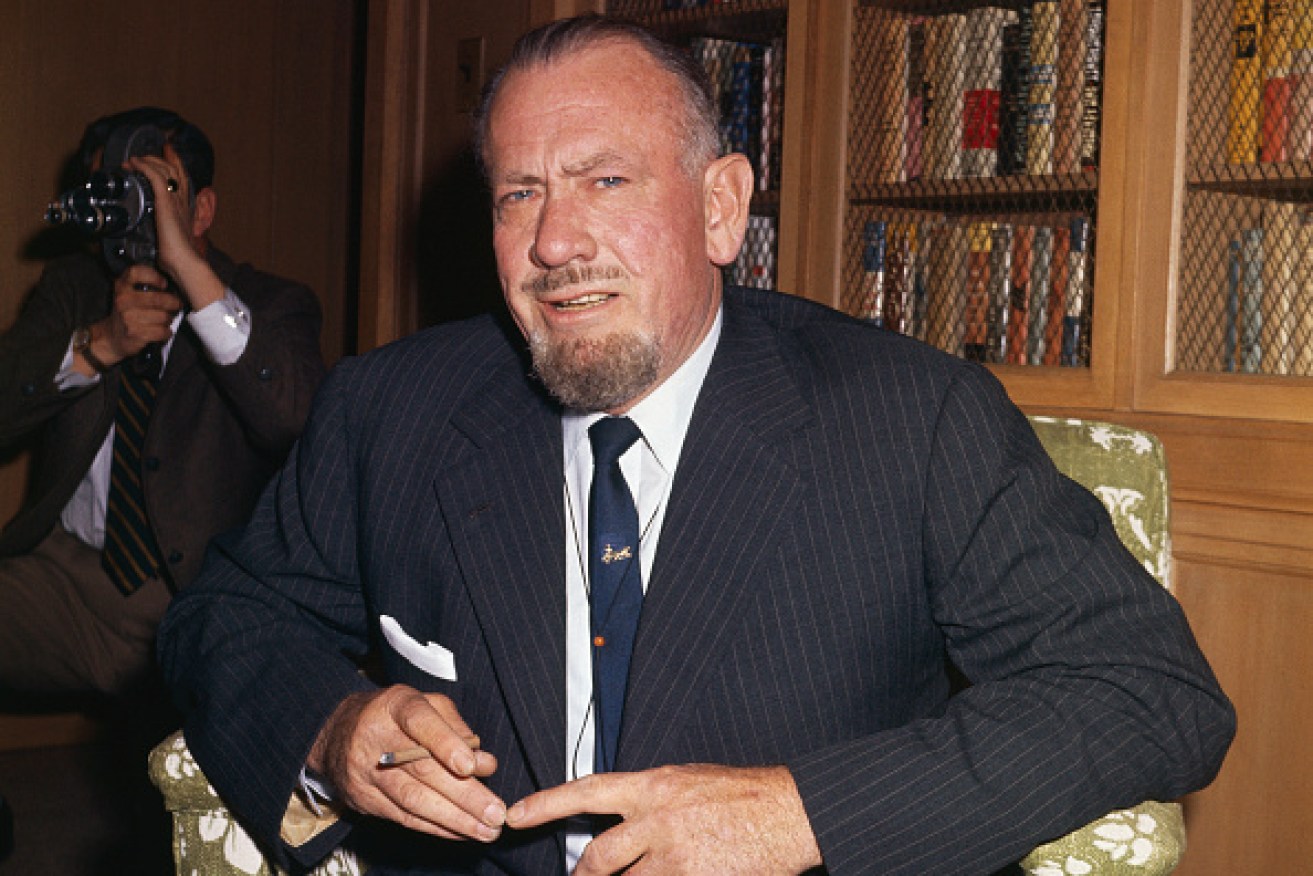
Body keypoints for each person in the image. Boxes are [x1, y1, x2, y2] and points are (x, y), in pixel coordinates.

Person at [158, 16, 1234, 876]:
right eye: (519, 194)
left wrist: (798, 814)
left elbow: (1147, 689)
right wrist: (335, 725)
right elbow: (223, 616)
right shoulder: (390, 408)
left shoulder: (912, 420)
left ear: (722, 208)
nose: (552, 242)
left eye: (605, 180)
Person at [0, 107, 327, 698]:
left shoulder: (272, 305)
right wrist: (98, 345)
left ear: (201, 210)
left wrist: (192, 277)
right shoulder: (74, 287)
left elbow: (294, 422)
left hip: (198, 598)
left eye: (151, 191)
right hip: (66, 577)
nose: (128, 212)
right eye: (112, 191)